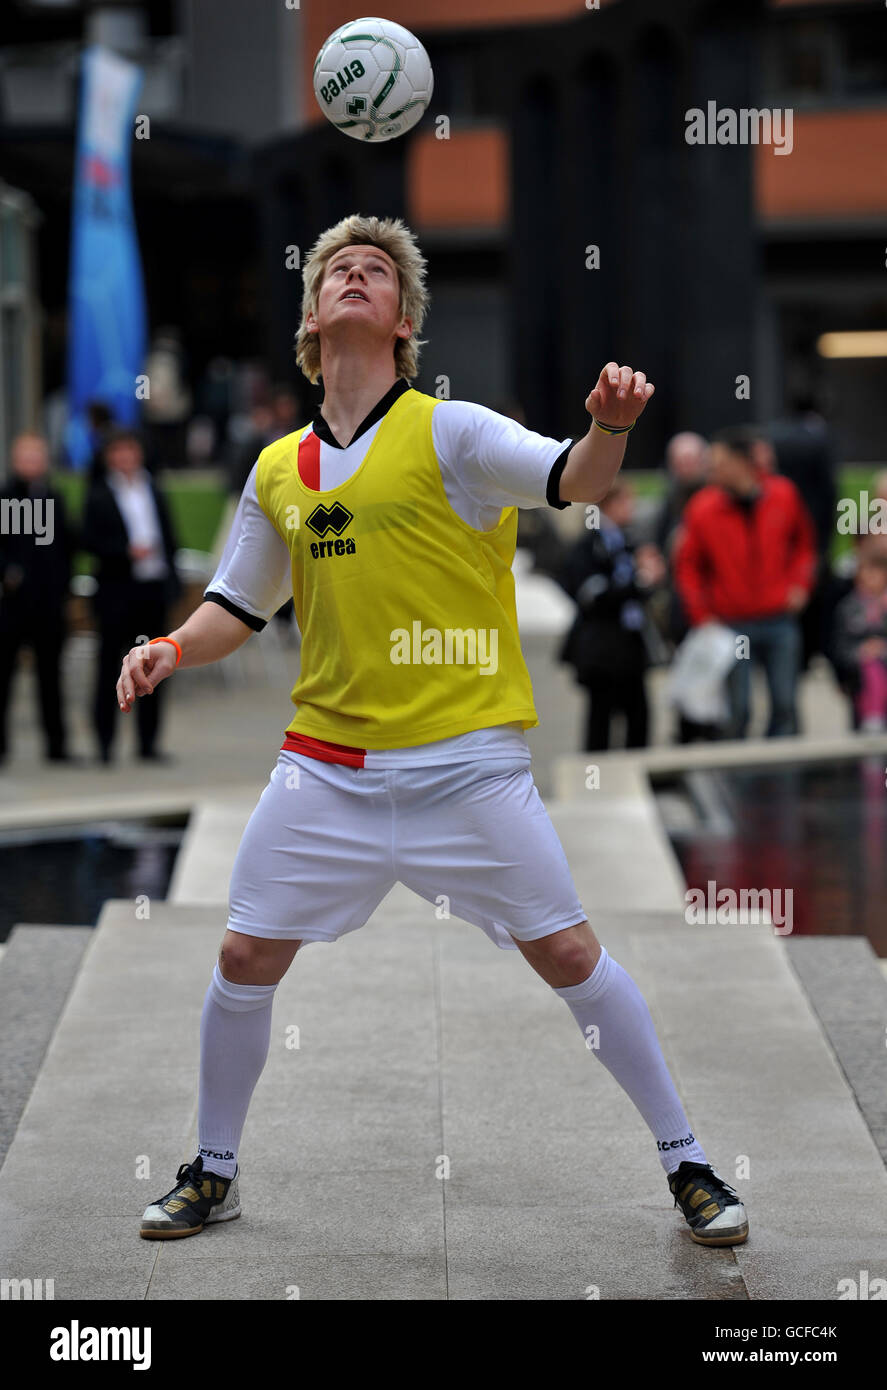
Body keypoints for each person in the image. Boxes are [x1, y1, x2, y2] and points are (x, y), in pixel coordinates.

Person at [120, 214, 748, 1249]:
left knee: (569, 952)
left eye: (375, 272)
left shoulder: (453, 432)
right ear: (313, 319)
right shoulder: (278, 465)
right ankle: (213, 1169)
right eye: (336, 271)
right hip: (325, 769)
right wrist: (171, 648)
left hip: (467, 768)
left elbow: (574, 480)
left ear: (402, 321)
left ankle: (686, 1161)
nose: (354, 278)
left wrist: (608, 425)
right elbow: (237, 602)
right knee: (240, 955)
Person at [674, 425, 817, 739]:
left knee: (785, 704)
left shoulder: (783, 494)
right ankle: (736, 784)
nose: (712, 470)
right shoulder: (703, 508)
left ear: (742, 462)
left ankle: (785, 778)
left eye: (719, 462)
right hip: (731, 623)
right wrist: (701, 615)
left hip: (778, 617)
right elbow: (687, 566)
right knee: (738, 710)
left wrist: (800, 585)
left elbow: (804, 547)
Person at [82, 427, 181, 763]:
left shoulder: (153, 486)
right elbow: (90, 540)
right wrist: (126, 552)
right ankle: (105, 743)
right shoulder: (98, 493)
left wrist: (172, 581)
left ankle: (148, 743)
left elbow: (169, 535)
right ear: (109, 456)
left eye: (130, 450)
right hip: (116, 591)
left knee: (154, 664)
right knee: (110, 665)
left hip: (151, 588)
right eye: (118, 451)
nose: (125, 458)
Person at [558, 478, 665, 749]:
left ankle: (637, 779)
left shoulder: (631, 543)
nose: (633, 508)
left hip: (631, 645)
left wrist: (651, 578)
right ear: (609, 505)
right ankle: (598, 783)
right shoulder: (589, 546)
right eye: (627, 502)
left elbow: (641, 592)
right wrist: (638, 582)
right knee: (600, 720)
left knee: (639, 717)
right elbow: (591, 597)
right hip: (602, 649)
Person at [0, 432, 74, 764]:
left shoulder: (54, 497)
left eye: (37, 456)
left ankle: (57, 745)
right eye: (26, 456)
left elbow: (65, 546)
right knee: (4, 678)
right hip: (12, 606)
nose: (32, 463)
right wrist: (10, 574)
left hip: (48, 604)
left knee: (51, 677)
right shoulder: (5, 498)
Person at [830, 547, 887, 731]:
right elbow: (839, 647)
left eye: (873, 573)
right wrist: (862, 652)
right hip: (860, 682)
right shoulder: (847, 608)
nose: (865, 578)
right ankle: (873, 721)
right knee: (870, 667)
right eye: (861, 573)